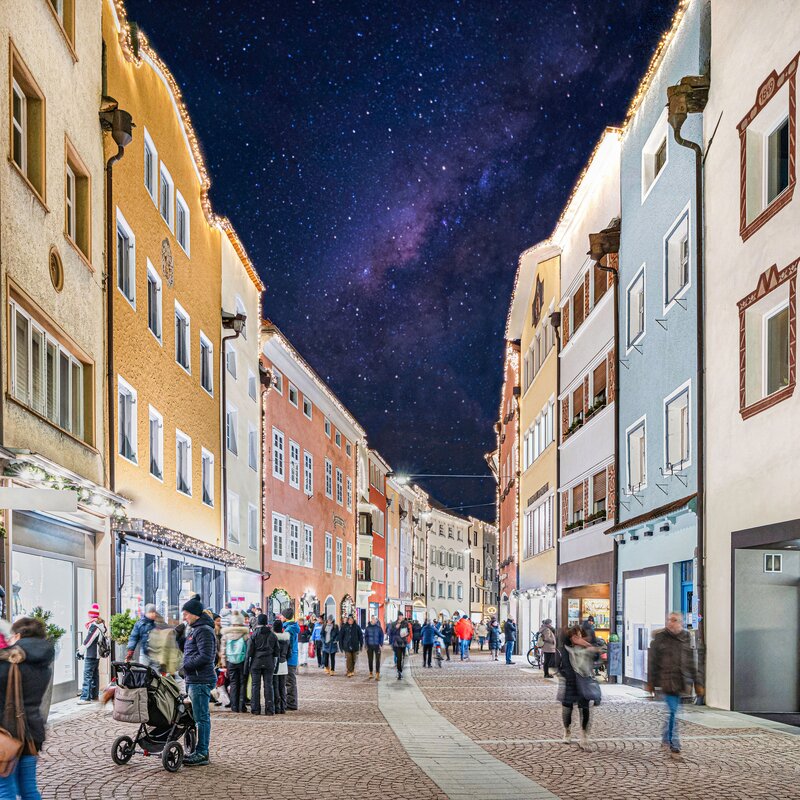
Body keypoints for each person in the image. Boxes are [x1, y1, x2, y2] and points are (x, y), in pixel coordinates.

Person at [0, 617, 54, 799]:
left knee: (4, 789)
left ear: (17, 636)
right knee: (28, 788)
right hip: (32, 732)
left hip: (6, 732)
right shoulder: (43, 663)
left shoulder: (9, 661)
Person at [646, 612, 702, 755]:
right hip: (667, 681)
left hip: (681, 681)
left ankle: (666, 737)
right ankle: (674, 743)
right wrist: (651, 682)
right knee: (673, 712)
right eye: (669, 620)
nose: (670, 622)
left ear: (681, 623)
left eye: (674, 620)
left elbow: (691, 661)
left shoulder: (686, 637)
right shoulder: (660, 638)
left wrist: (697, 682)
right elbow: (652, 662)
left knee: (673, 712)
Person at [178, 595, 216, 766]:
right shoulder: (195, 629)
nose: (184, 617)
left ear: (195, 614)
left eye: (186, 614)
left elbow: (206, 656)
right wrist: (178, 639)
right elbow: (190, 650)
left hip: (200, 679)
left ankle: (202, 753)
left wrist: (186, 668)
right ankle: (198, 750)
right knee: (198, 717)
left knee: (202, 718)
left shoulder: (204, 631)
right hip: (194, 678)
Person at [558, 624, 601, 748]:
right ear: (570, 638)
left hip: (584, 681)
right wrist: (569, 676)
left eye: (580, 636)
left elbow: (596, 658)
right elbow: (560, 665)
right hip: (571, 683)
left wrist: (588, 645)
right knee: (567, 709)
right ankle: (567, 731)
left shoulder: (587, 649)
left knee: (585, 709)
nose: (578, 638)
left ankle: (584, 736)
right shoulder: (566, 649)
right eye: (575, 636)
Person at [246, 613, 278, 715]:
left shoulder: (254, 635)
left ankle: (255, 709)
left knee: (255, 686)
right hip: (269, 662)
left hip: (256, 662)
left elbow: (249, 652)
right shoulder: (272, 635)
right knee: (268, 685)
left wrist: (247, 666)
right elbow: (277, 652)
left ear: (258, 622)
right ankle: (270, 709)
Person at [77, 603, 107, 704]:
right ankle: (94, 695)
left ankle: (85, 697)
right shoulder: (100, 625)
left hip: (91, 654)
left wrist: (81, 650)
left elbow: (88, 640)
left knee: (87, 675)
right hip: (96, 655)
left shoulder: (94, 626)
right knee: (94, 675)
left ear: (90, 615)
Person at [221, 611, 249, 712]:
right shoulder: (245, 634)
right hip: (242, 661)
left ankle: (234, 706)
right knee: (242, 683)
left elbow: (223, 650)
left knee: (233, 683)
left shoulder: (226, 634)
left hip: (230, 661)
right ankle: (242, 705)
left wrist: (224, 664)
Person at [282, 609, 300, 710]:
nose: (280, 617)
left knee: (289, 681)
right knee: (290, 680)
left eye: (282, 615)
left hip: (289, 658)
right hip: (293, 657)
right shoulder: (292, 627)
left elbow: (287, 646)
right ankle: (291, 702)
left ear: (285, 617)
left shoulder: (288, 629)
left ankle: (291, 703)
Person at [272, 619, 290, 713]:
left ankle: (277, 707)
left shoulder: (273, 638)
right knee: (282, 686)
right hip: (284, 663)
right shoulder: (287, 639)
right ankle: (283, 707)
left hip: (275, 664)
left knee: (275, 686)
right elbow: (289, 653)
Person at [390, 614, 411, 679]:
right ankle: (399, 671)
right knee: (399, 658)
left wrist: (406, 634)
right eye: (400, 616)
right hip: (397, 643)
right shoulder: (394, 624)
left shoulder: (405, 623)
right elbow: (391, 632)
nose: (401, 617)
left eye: (402, 616)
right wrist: (396, 628)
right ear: (398, 617)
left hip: (403, 643)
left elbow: (408, 632)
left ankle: (400, 670)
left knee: (403, 658)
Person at [364, 615, 384, 680]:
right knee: (370, 660)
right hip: (369, 646)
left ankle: (377, 673)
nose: (373, 620)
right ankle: (371, 673)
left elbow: (382, 636)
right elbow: (366, 637)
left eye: (374, 619)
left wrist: (381, 644)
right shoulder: (367, 628)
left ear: (376, 620)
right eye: (372, 618)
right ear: (371, 619)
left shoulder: (379, 628)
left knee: (377, 660)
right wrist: (366, 645)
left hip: (377, 646)